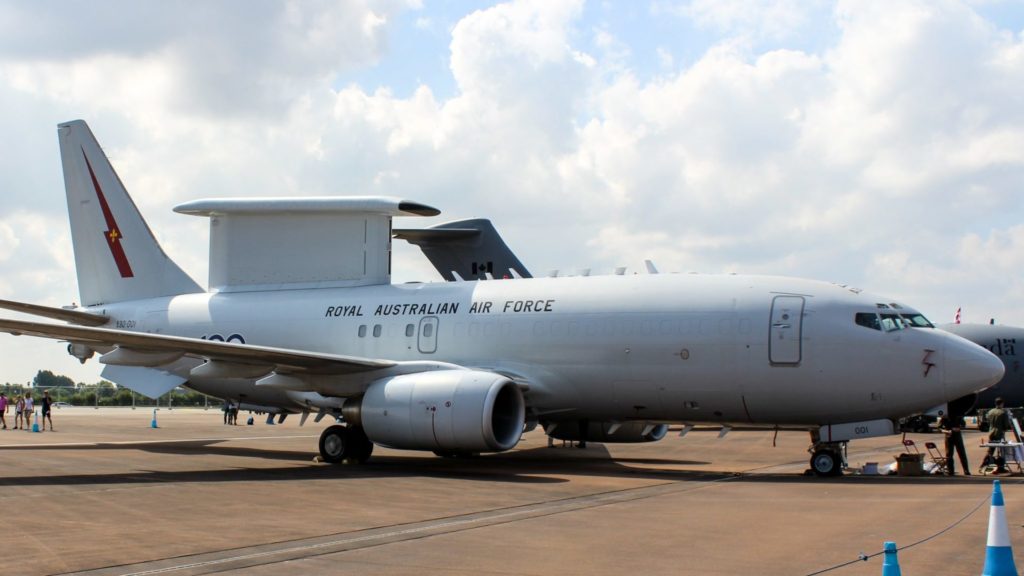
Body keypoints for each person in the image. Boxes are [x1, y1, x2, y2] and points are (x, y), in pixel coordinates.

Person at [986, 397, 1013, 474]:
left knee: (991, 450)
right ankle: (1001, 467)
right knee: (1002, 451)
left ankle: (985, 465)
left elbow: (988, 421)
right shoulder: (1003, 412)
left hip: (991, 432)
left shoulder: (990, 412)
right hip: (999, 433)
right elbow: (1006, 425)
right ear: (1001, 404)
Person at [939, 411, 970, 475]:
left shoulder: (958, 416)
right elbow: (939, 427)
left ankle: (966, 470)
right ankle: (951, 471)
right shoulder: (945, 417)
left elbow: (963, 424)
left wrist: (958, 428)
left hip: (957, 436)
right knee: (949, 454)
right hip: (948, 436)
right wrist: (945, 431)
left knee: (962, 453)